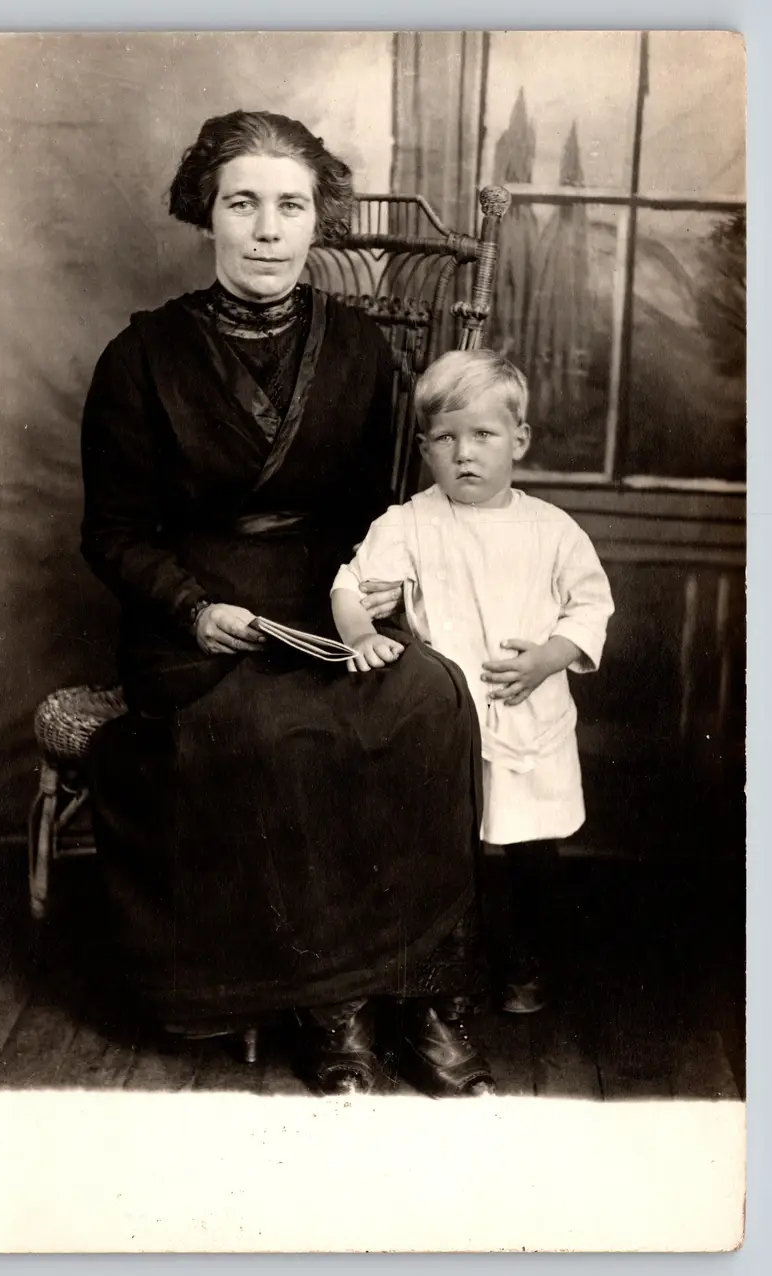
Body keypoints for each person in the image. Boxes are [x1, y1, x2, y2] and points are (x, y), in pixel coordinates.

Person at [80, 110, 497, 1096]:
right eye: (243, 204)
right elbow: (113, 534)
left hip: (328, 602)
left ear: (318, 221)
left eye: (291, 206)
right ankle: (331, 1011)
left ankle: (423, 998)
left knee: (430, 700)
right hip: (198, 626)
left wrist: (379, 590)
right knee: (281, 728)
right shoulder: (139, 358)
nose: (268, 230)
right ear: (206, 214)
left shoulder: (360, 350)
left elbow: (385, 512)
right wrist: (192, 607)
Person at [331, 349, 615, 1015]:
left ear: (519, 440)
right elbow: (350, 584)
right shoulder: (409, 523)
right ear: (425, 448)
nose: (464, 454)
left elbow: (591, 606)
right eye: (445, 439)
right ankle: (450, 970)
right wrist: (361, 633)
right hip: (444, 724)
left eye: (483, 434)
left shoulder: (552, 530)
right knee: (448, 852)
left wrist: (549, 656)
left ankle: (526, 962)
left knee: (530, 850)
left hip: (528, 721)